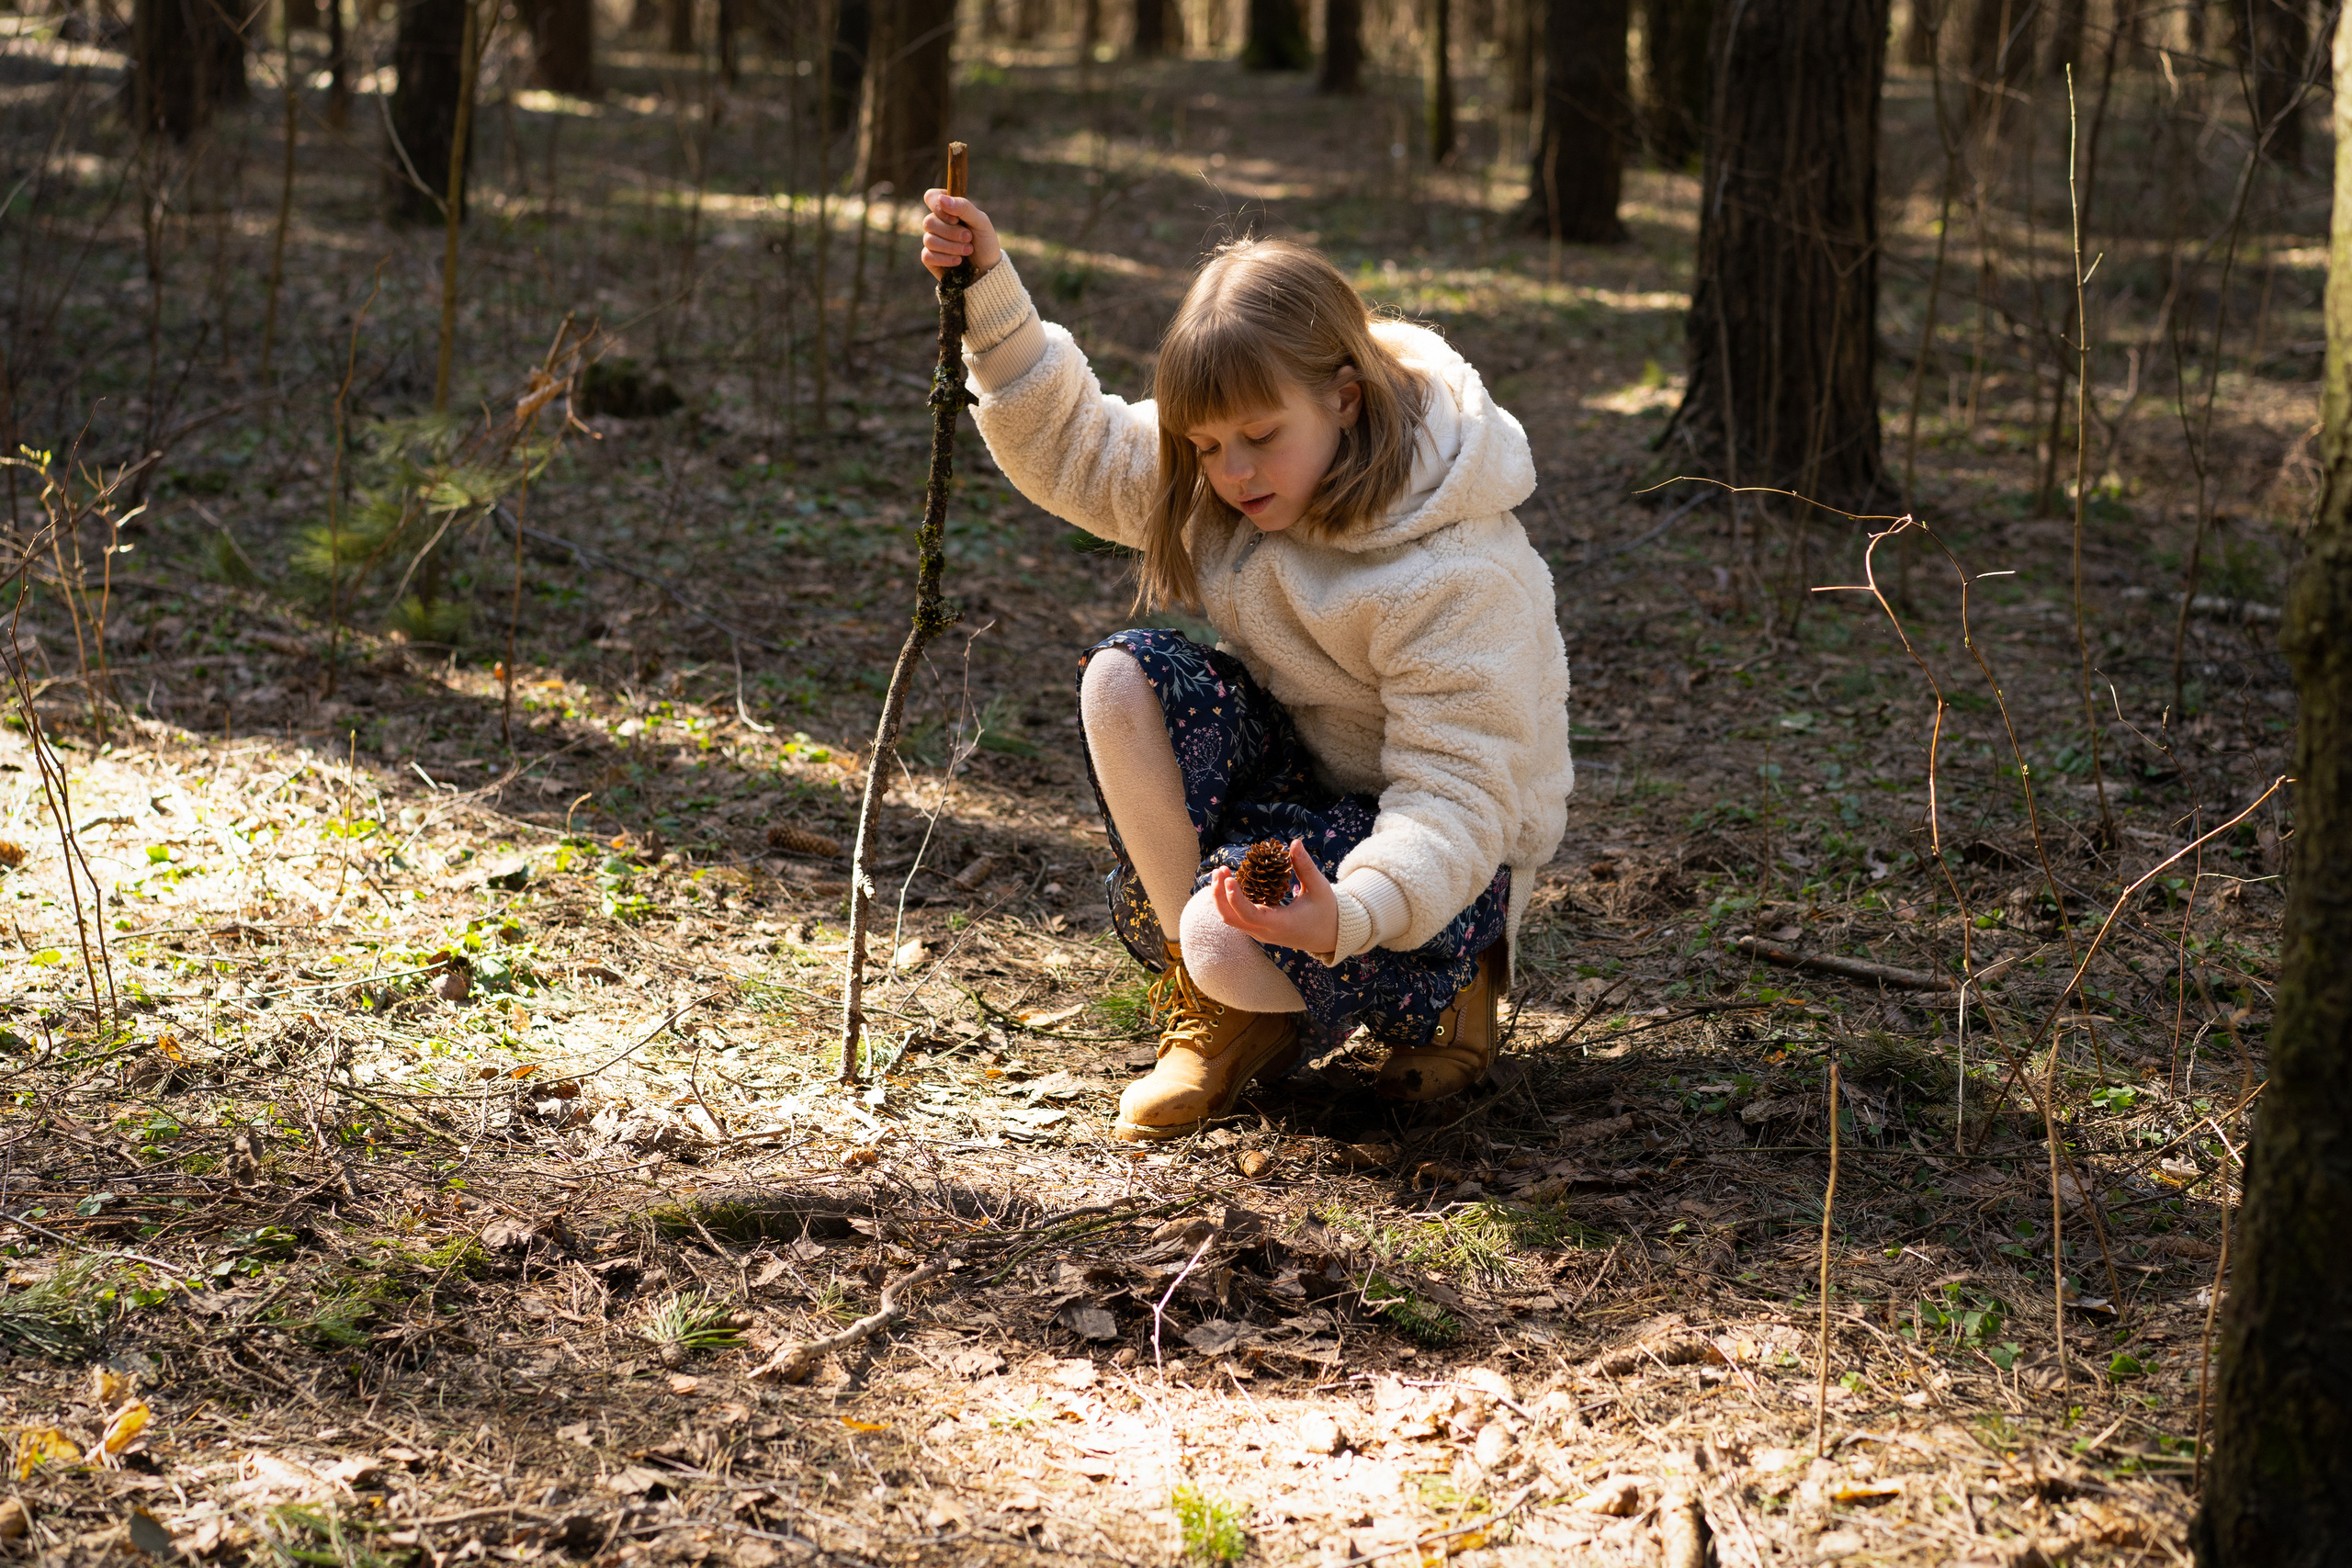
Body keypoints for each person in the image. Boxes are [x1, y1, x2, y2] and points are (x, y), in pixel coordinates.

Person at [919, 191, 1573, 1143]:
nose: (1232, 472)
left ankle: (1451, 987)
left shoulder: (1459, 573)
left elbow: (1460, 795)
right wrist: (989, 295)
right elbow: (1083, 449)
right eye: (1206, 446)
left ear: (1344, 397)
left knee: (1229, 935)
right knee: (1123, 679)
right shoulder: (1243, 475)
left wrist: (1350, 913)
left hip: (1440, 851)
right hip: (1304, 786)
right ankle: (1224, 1007)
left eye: (1259, 437)